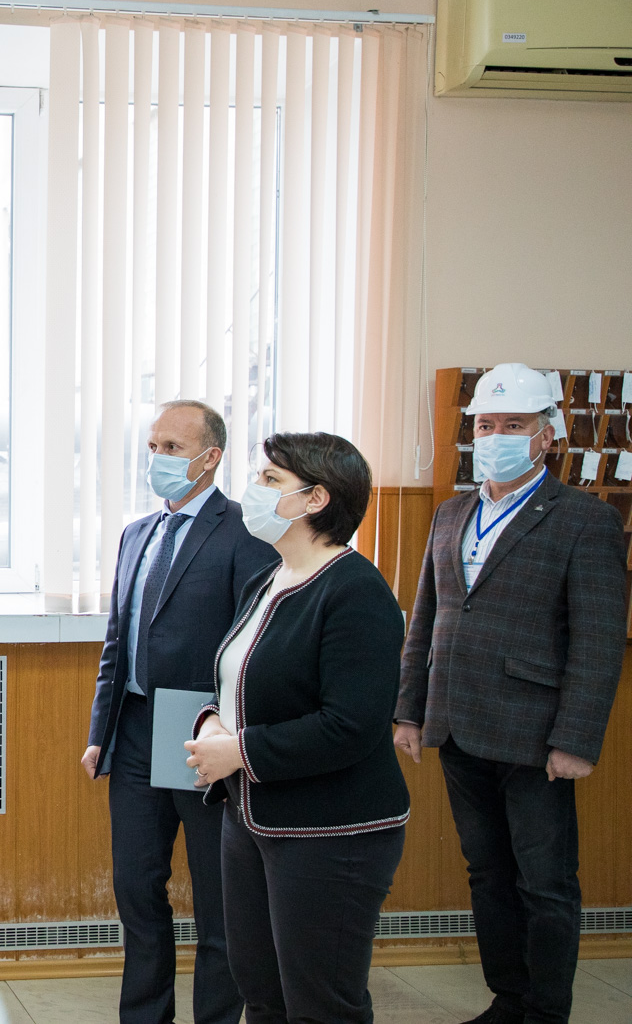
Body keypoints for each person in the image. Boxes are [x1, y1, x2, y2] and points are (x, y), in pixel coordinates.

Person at [395, 363, 625, 1024]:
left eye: (514, 425)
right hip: (457, 724)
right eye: (487, 425)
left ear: (546, 435)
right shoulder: (452, 513)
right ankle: (509, 998)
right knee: (487, 873)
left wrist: (575, 741)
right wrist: (409, 710)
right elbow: (426, 619)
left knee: (545, 883)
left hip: (535, 736)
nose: (496, 436)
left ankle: (546, 1011)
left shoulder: (584, 519)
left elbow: (598, 641)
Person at [185, 432, 409, 1023]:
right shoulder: (270, 578)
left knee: (320, 1004)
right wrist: (212, 723)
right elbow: (237, 680)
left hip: (331, 831)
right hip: (252, 817)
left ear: (316, 499)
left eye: (270, 480)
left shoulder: (356, 591)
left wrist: (239, 751)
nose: (252, 491)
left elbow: (351, 726)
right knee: (261, 991)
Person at [81, 399, 278, 1024]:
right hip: (135, 729)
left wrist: (232, 734)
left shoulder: (245, 532)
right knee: (137, 889)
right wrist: (100, 733)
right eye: (153, 446)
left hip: (202, 730)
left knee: (219, 900)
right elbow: (118, 642)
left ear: (210, 457)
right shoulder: (137, 533)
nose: (157, 458)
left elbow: (255, 647)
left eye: (172, 448)